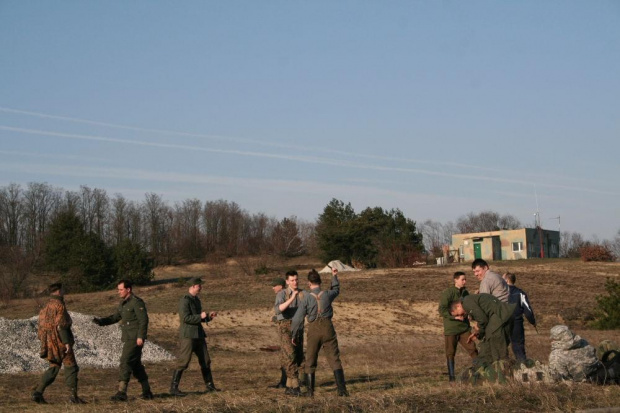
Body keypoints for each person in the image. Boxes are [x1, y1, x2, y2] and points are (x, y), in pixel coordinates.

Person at [291, 267, 349, 397]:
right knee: (334, 358)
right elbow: (336, 290)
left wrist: (294, 334)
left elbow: (297, 319)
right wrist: (334, 276)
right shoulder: (327, 295)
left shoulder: (306, 298)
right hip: (328, 327)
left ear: (309, 283)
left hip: (314, 329)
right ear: (320, 282)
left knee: (311, 359)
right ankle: (342, 391)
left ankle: (310, 393)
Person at [93, 279, 153, 401]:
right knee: (136, 365)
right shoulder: (123, 304)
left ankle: (122, 392)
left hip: (135, 338)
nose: (118, 292)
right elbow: (116, 317)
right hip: (128, 337)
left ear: (128, 289)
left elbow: (143, 320)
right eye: (118, 290)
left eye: (121, 289)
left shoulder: (137, 303)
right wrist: (102, 321)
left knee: (125, 361)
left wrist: (141, 336)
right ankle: (147, 391)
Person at [32, 282, 85, 404]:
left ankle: (38, 392)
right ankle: (73, 396)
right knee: (71, 367)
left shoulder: (45, 307)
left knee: (54, 367)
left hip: (49, 343)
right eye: (63, 289)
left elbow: (40, 327)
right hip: (61, 342)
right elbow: (61, 325)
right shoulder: (60, 305)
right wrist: (66, 342)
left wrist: (45, 341)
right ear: (59, 291)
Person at [169, 277, 219, 396]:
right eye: (199, 286)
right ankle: (173, 388)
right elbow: (185, 318)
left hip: (199, 335)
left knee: (205, 361)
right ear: (193, 286)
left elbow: (198, 318)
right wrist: (200, 317)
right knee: (183, 361)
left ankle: (210, 386)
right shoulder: (185, 301)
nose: (201, 287)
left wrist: (208, 317)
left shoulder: (197, 300)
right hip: (188, 336)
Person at [450, 293, 516, 366]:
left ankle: (500, 371)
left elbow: (483, 320)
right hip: (505, 315)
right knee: (494, 347)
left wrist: (479, 332)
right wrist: (478, 332)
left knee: (497, 350)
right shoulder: (470, 300)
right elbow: (483, 319)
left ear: (458, 306)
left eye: (457, 314)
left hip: (500, 315)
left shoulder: (466, 302)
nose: (460, 316)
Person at [438, 272, 478, 382]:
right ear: (455, 280)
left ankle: (478, 373)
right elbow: (442, 309)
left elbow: (469, 307)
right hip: (451, 328)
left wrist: (469, 315)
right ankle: (452, 378)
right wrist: (454, 317)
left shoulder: (465, 293)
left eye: (465, 279)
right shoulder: (448, 292)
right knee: (450, 353)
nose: (465, 281)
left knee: (473, 349)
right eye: (462, 279)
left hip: (464, 328)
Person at [274, 270, 306, 396]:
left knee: (298, 357)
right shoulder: (282, 294)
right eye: (292, 280)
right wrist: (292, 297)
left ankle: (289, 386)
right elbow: (278, 309)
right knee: (289, 355)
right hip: (285, 326)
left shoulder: (303, 293)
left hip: (298, 326)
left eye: (296, 280)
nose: (295, 282)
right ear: (287, 282)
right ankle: (296, 387)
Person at [503, 272, 536, 362]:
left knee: (502, 347)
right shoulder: (520, 293)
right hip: (517, 323)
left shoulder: (501, 293)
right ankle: (522, 366)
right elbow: (528, 311)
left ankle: (503, 368)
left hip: (503, 323)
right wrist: (532, 322)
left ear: (507, 280)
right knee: (518, 346)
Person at [269, 277, 288, 389]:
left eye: (274, 285)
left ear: (280, 286)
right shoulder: (289, 294)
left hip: (285, 327)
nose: (273, 288)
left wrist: (275, 318)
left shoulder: (280, 295)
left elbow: (282, 311)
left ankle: (285, 382)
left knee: (285, 355)